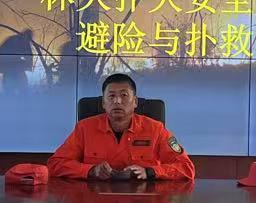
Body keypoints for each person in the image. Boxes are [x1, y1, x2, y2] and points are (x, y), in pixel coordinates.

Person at [47, 73, 196, 183]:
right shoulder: (84, 128)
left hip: (143, 202)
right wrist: (90, 170)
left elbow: (186, 168)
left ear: (135, 102)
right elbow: (55, 164)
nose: (117, 101)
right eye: (111, 96)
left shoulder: (156, 129)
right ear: (103, 103)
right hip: (95, 200)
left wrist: (150, 172)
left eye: (124, 95)